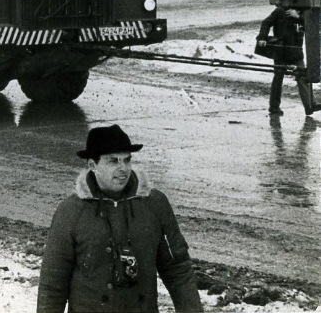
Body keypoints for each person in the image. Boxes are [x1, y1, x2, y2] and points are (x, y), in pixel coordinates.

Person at [37, 125, 204, 313]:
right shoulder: (71, 211)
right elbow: (53, 283)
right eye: (113, 161)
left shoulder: (155, 204)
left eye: (127, 160)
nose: (122, 168)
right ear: (92, 165)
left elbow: (178, 269)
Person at [257, 5, 320, 117]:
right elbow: (266, 23)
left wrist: (298, 17)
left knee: (303, 77)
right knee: (278, 78)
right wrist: (262, 37)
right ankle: (274, 107)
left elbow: (312, 28)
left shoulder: (304, 13)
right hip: (281, 51)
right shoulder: (280, 11)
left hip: (296, 52)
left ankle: (309, 106)